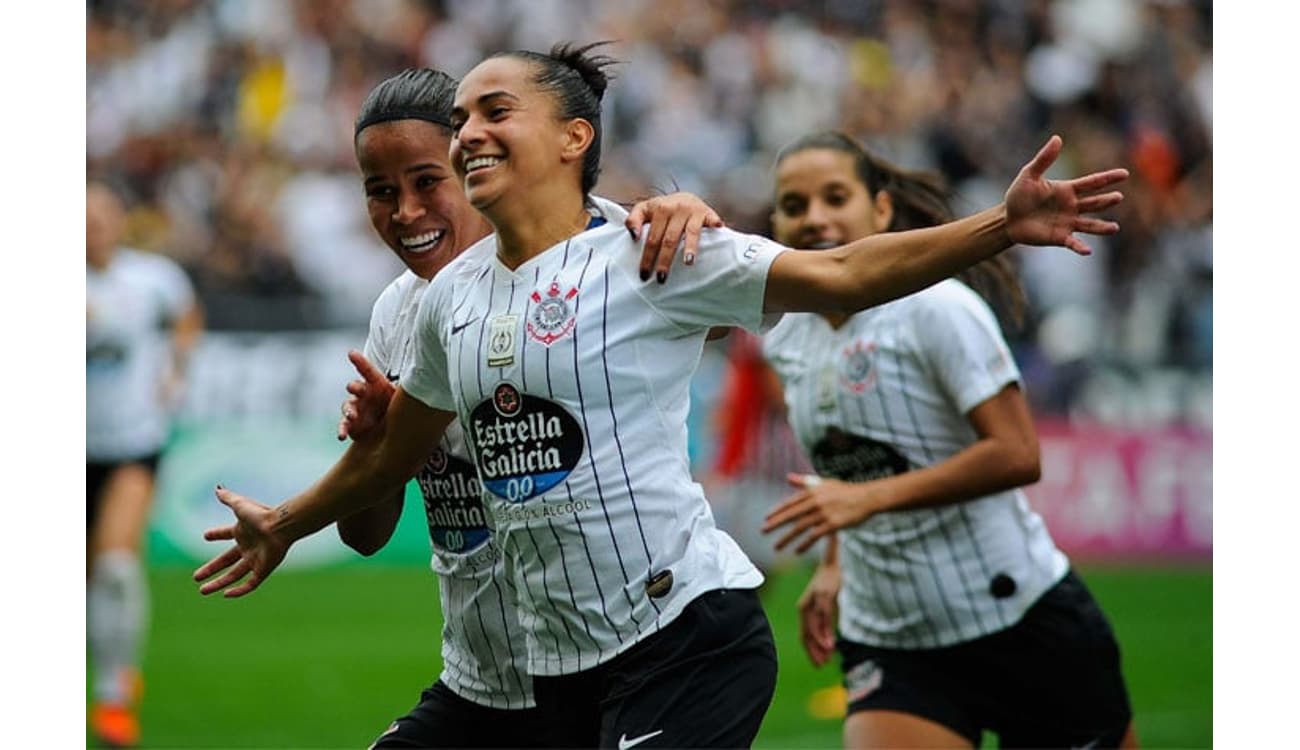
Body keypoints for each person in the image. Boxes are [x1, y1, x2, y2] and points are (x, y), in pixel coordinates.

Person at [194, 42, 1127, 749]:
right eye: (463, 116)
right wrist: (287, 520)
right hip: (548, 669)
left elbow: (837, 274)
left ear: (573, 136)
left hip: (686, 635)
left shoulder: (657, 252)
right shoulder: (446, 304)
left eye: (493, 111)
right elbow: (394, 460)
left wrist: (999, 227)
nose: (470, 128)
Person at [313, 67, 724, 748]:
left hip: (614, 665)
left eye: (426, 182)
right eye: (380, 192)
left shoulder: (601, 260)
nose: (405, 212)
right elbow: (365, 534)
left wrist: (688, 213)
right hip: (481, 687)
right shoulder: (398, 312)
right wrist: (374, 442)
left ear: (471, 160)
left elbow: (716, 300)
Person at [759, 132, 1137, 749]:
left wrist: (865, 501)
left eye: (835, 197)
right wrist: (833, 564)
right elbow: (846, 458)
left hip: (1019, 618)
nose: (815, 218)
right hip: (890, 638)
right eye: (794, 206)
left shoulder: (938, 309)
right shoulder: (783, 336)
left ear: (881, 210)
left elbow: (1017, 455)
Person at [87, 180, 204, 748]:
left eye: (102, 218)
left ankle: (113, 695)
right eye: (84, 220)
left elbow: (187, 316)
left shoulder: (151, 277)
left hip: (132, 441)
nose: (93, 229)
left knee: (114, 567)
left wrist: (176, 371)